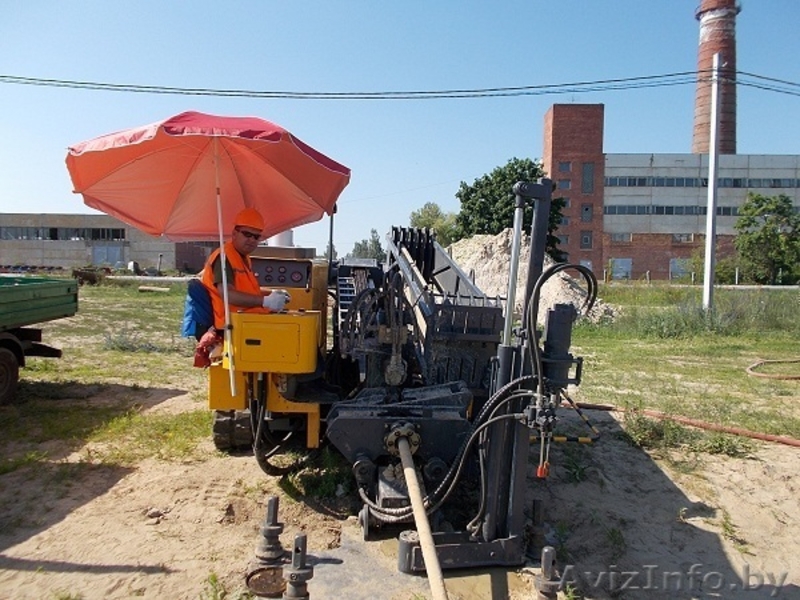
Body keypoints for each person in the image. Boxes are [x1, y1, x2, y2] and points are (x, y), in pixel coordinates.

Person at [200, 207, 290, 331]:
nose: (252, 240)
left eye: (256, 237)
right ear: (234, 234)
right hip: (231, 326)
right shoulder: (224, 257)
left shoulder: (244, 258)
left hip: (246, 321)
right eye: (247, 234)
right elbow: (228, 295)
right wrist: (265, 301)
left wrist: (272, 293)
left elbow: (250, 292)